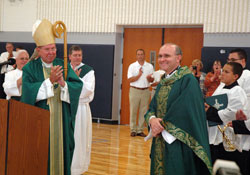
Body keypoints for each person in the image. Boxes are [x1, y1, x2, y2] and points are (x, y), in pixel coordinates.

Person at [20, 19, 83, 175]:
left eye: (54, 48)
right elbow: (27, 94)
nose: (51, 52)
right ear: (38, 50)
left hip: (61, 122)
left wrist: (63, 84)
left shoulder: (63, 64)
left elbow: (77, 87)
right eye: (47, 49)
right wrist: (50, 81)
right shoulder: (30, 68)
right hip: (40, 124)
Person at [144, 43, 212, 175]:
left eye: (167, 56)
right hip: (160, 138)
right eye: (160, 56)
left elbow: (185, 109)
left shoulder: (188, 80)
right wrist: (152, 120)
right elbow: (152, 107)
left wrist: (161, 125)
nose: (162, 59)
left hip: (179, 141)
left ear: (178, 58)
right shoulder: (163, 81)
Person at [206, 62, 249, 175]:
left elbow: (230, 113)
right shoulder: (220, 86)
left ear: (235, 76)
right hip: (213, 133)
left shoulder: (237, 91)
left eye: (226, 72)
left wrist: (210, 111)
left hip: (226, 138)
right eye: (222, 71)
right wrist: (208, 107)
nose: (222, 74)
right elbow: (213, 105)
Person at [69, 45, 95, 175]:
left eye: (79, 55)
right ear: (70, 56)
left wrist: (76, 78)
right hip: (67, 107)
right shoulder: (64, 69)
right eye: (75, 55)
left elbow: (87, 91)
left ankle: (77, 169)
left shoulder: (88, 71)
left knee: (79, 139)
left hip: (81, 110)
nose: (77, 58)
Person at [127, 49, 154, 137]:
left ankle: (140, 130)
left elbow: (152, 79)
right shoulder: (132, 66)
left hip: (145, 91)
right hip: (134, 90)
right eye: (138, 54)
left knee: (144, 111)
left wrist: (150, 78)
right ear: (136, 56)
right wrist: (139, 75)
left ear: (144, 55)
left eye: (142, 54)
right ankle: (133, 130)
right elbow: (130, 79)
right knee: (133, 110)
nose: (140, 56)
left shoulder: (149, 66)